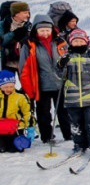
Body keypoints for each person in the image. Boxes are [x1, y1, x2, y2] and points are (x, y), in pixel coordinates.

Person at [19, 14, 72, 143]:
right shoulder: (29, 45)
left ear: (52, 29)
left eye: (47, 30)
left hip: (60, 83)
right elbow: (24, 69)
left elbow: (69, 60)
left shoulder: (60, 42)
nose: (45, 33)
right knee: (44, 113)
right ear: (36, 30)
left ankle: (68, 135)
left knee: (64, 112)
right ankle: (47, 136)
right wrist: (28, 88)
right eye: (42, 30)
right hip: (41, 85)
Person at [58, 29, 90, 156]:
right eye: (75, 41)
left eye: (80, 41)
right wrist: (61, 65)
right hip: (72, 97)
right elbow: (58, 74)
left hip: (89, 96)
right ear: (70, 43)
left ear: (86, 42)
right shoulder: (67, 57)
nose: (78, 43)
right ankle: (79, 145)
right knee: (75, 124)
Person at [0, 70, 31, 153]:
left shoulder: (20, 97)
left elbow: (27, 112)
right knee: (1, 148)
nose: (9, 89)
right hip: (1, 127)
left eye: (11, 86)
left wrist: (28, 125)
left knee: (14, 149)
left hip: (15, 127)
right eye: (6, 87)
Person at [0, 2, 32, 74]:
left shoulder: (29, 26)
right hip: (8, 62)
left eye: (28, 13)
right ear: (16, 14)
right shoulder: (3, 25)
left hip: (24, 62)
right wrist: (14, 33)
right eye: (25, 13)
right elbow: (2, 42)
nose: (28, 15)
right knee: (7, 85)